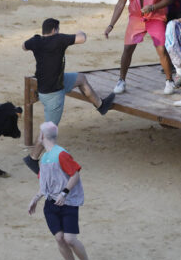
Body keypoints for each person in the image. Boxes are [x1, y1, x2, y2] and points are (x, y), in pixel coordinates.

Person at [22, 18, 115, 174]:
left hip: (49, 82)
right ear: (54, 30)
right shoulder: (58, 39)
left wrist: (35, 42)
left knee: (80, 78)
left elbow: (23, 46)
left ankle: (101, 105)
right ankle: (33, 158)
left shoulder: (36, 40)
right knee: (49, 129)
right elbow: (82, 38)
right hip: (53, 93)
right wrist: (80, 31)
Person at [27, 122, 100, 260]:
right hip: (51, 204)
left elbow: (75, 174)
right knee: (59, 238)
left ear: (42, 137)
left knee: (70, 239)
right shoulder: (45, 158)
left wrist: (64, 193)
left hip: (67, 203)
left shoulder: (61, 154)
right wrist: (36, 198)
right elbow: (45, 185)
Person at [105, 0, 176, 95]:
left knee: (161, 49)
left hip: (156, 16)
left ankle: (169, 80)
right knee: (127, 49)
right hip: (136, 17)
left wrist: (153, 7)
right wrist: (111, 25)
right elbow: (120, 3)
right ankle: (121, 80)